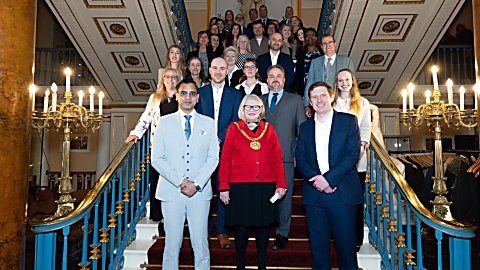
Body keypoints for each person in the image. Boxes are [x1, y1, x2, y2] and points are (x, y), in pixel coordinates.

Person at [151, 78, 219, 270]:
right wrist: (181, 182)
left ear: (197, 98)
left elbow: (213, 158)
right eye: (183, 93)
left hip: (200, 194)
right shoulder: (163, 123)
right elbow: (157, 158)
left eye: (192, 93)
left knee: (201, 245)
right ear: (177, 96)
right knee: (172, 246)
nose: (187, 97)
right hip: (171, 193)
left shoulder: (209, 123)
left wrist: (196, 184)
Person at [295, 81, 362, 270]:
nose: (319, 100)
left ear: (332, 97)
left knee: (346, 250)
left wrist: (328, 179)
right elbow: (300, 158)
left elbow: (352, 155)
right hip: (315, 196)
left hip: (341, 194)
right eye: (314, 97)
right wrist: (318, 181)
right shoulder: (305, 127)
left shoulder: (348, 121)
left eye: (323, 95)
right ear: (310, 102)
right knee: (318, 251)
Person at [219, 94, 287, 270]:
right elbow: (225, 159)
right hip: (240, 186)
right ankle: (240, 265)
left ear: (261, 110)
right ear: (242, 109)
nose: (252, 110)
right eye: (248, 107)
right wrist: (223, 187)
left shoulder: (269, 129)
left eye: (256, 107)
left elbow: (278, 158)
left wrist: (281, 184)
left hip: (265, 186)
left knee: (263, 227)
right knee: (241, 228)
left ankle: (262, 265)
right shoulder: (233, 129)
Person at [196, 57, 243, 249]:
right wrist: (208, 138)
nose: (218, 71)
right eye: (215, 68)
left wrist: (219, 138)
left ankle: (222, 231)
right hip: (202, 151)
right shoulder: (200, 93)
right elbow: (195, 117)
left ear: (227, 71)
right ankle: (203, 230)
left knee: (224, 190)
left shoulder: (235, 94)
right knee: (203, 191)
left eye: (222, 68)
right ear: (210, 70)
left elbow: (236, 120)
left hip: (226, 149)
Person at [260, 65, 306, 250]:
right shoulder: (259, 100)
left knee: (284, 197)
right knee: (263, 194)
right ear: (267, 80)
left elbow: (302, 130)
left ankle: (282, 233)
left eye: (279, 76)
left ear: (285, 79)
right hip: (260, 159)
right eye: (272, 76)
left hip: (286, 156)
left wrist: (298, 154)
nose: (275, 79)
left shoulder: (295, 100)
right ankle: (263, 227)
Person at [126, 68, 181, 222]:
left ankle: (175, 212)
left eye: (174, 78)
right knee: (156, 179)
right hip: (159, 145)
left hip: (177, 146)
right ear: (163, 79)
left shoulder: (182, 97)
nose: (171, 80)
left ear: (178, 80)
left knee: (175, 179)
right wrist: (136, 133)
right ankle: (157, 214)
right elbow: (146, 118)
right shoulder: (155, 98)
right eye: (168, 77)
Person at [334, 69, 371, 251]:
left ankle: (356, 239)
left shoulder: (363, 103)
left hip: (358, 161)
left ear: (353, 81)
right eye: (340, 80)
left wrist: (361, 148)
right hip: (335, 161)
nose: (344, 83)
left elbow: (365, 129)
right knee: (337, 201)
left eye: (347, 79)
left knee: (355, 201)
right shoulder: (331, 102)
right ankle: (337, 236)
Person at [304, 35, 355, 116]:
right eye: (324, 43)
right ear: (321, 46)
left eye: (330, 42)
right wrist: (307, 104)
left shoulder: (346, 61)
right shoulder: (315, 62)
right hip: (320, 104)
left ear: (335, 44)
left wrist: (353, 101)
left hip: (341, 104)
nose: (327, 45)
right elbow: (309, 84)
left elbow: (352, 84)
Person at [293, 28, 322, 97]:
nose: (310, 37)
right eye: (307, 36)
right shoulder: (301, 55)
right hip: (305, 90)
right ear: (305, 39)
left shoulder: (322, 53)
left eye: (312, 35)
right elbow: (298, 73)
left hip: (320, 87)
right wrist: (296, 90)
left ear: (316, 38)